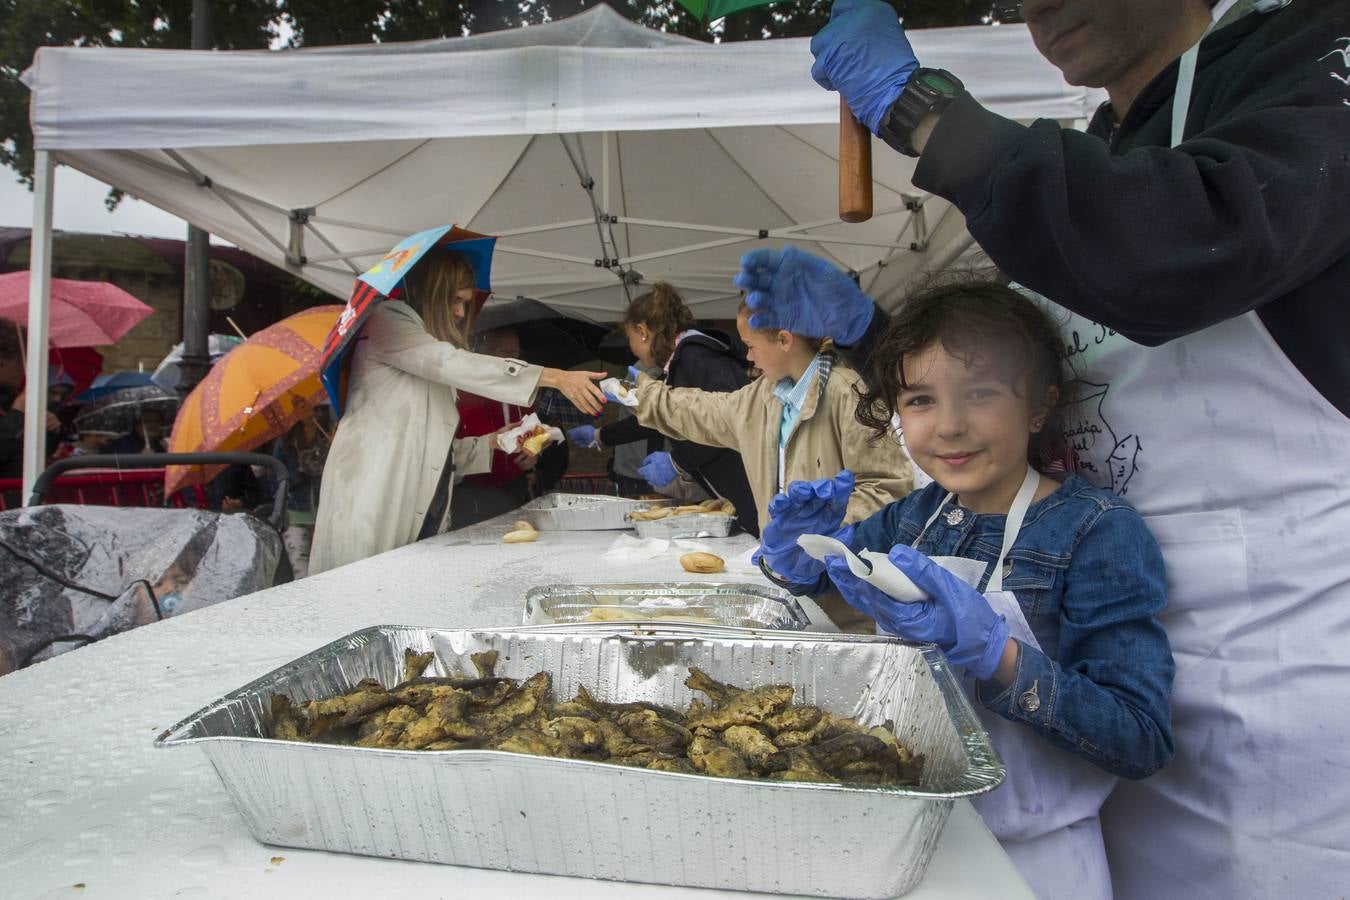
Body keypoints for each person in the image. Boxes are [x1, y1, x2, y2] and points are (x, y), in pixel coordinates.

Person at [741, 1, 1350, 896]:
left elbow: (1177, 247)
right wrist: (875, 337)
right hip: (1067, 733)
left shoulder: (1314, 56)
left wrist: (924, 111)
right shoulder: (1099, 149)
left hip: (1267, 706)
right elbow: (1019, 379)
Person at [759, 281, 1174, 899]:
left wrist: (998, 657)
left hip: (1039, 862)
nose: (950, 427)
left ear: (1038, 405)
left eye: (980, 393)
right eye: (921, 400)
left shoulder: (1096, 532)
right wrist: (794, 552)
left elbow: (1140, 737)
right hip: (917, 835)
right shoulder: (913, 516)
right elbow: (826, 578)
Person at [310, 251, 606, 573]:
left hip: (424, 507)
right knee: (362, 599)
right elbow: (449, 362)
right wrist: (555, 377)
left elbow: (436, 453)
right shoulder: (387, 320)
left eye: (465, 303)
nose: (460, 312)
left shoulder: (420, 347)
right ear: (431, 291)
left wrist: (491, 443)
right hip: (374, 497)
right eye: (455, 300)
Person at [632, 296, 914, 630]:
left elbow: (888, 487)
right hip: (786, 593)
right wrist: (636, 394)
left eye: (751, 345)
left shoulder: (849, 393)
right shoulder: (763, 397)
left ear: (783, 339)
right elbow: (701, 410)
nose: (747, 355)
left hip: (847, 605)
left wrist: (816, 539)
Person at [566, 283, 760, 534]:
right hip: (737, 488)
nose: (632, 347)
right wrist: (601, 435)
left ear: (642, 331)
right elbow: (668, 416)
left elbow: (727, 421)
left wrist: (677, 461)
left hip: (749, 485)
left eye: (630, 339)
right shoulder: (683, 360)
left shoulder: (694, 356)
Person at [451, 326, 569, 528]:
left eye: (515, 353)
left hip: (515, 487)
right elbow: (447, 449)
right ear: (484, 353)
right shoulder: (459, 390)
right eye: (504, 352)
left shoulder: (522, 390)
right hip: (472, 491)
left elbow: (534, 431)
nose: (512, 359)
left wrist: (535, 452)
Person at [270, 398, 332, 578]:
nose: (306, 409)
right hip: (296, 511)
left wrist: (334, 444)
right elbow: (275, 475)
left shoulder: (329, 435)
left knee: (326, 566)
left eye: (309, 404)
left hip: (325, 510)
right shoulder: (287, 443)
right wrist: (295, 475)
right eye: (299, 405)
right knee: (300, 568)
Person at [0, 325, 60, 480]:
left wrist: (48, 428)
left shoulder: (8, 398)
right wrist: (17, 414)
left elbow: (33, 455)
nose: (24, 370)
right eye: (21, 362)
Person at [104, 408, 168, 455]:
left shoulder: (161, 447)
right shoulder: (121, 445)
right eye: (147, 421)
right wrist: (140, 460)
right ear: (137, 425)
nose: (153, 424)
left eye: (157, 421)